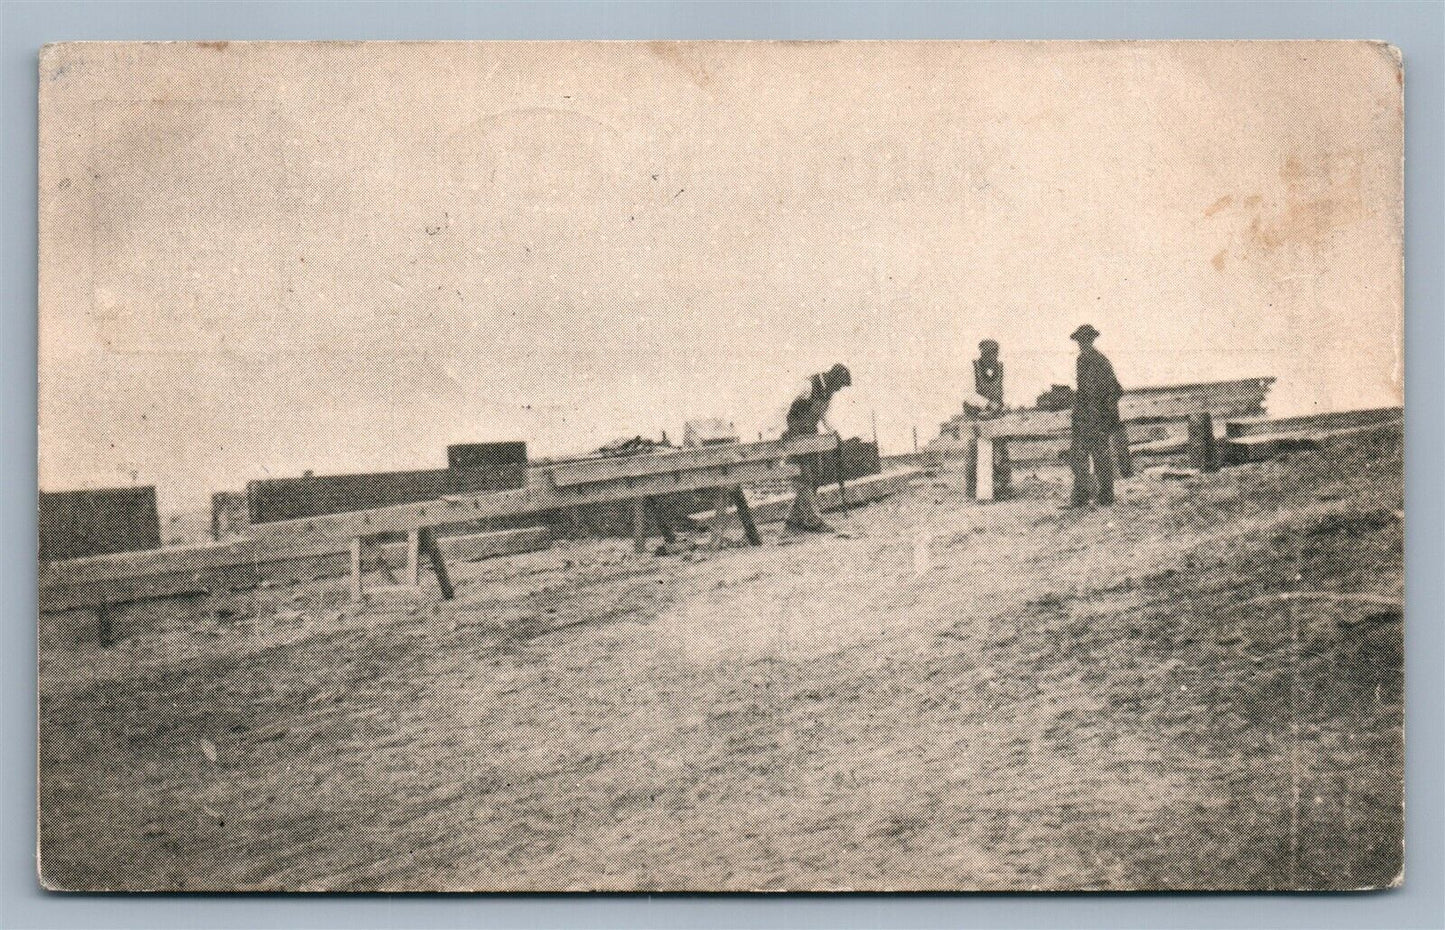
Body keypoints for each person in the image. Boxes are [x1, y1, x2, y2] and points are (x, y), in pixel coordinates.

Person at [781, 363, 851, 533]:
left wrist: (834, 432)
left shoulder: (828, 392)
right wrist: (783, 430)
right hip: (795, 437)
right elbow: (784, 405)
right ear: (833, 378)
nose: (838, 390)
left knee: (818, 474)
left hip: (811, 436)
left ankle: (793, 519)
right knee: (803, 477)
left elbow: (823, 415)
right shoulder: (808, 385)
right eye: (839, 385)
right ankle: (813, 520)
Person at [1066, 324, 1122, 508]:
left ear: (1091, 340)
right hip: (1086, 417)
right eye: (1080, 341)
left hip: (1097, 417)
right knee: (1079, 456)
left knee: (1099, 456)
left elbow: (1113, 390)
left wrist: (1104, 416)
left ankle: (1105, 496)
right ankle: (1082, 496)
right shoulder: (1083, 359)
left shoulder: (1099, 360)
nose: (1082, 344)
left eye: (1085, 341)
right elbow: (1084, 391)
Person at [973, 339, 1005, 411]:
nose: (991, 357)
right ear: (981, 353)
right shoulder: (974, 367)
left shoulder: (1000, 367)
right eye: (987, 354)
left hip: (997, 412)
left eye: (994, 353)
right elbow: (968, 396)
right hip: (977, 412)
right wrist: (988, 404)